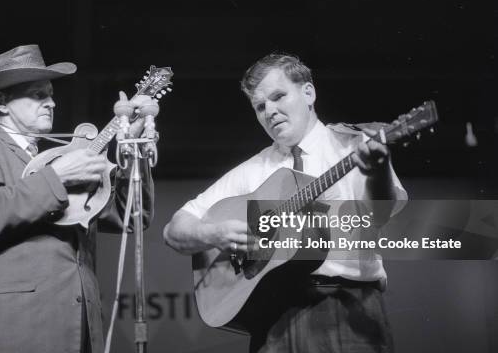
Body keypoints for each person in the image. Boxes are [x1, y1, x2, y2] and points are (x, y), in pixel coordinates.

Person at [163, 53, 407, 353]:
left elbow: (377, 216)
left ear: (308, 93)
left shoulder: (354, 145)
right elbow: (175, 229)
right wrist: (213, 234)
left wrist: (379, 170)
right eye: (260, 106)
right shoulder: (252, 170)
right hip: (272, 319)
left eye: (279, 97)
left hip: (345, 308)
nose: (271, 111)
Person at [0, 44, 156, 353]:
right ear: (1, 102)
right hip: (16, 332)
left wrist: (132, 147)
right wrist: (58, 178)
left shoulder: (61, 158)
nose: (51, 102)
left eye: (50, 94)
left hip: (82, 330)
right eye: (38, 95)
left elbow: (133, 216)